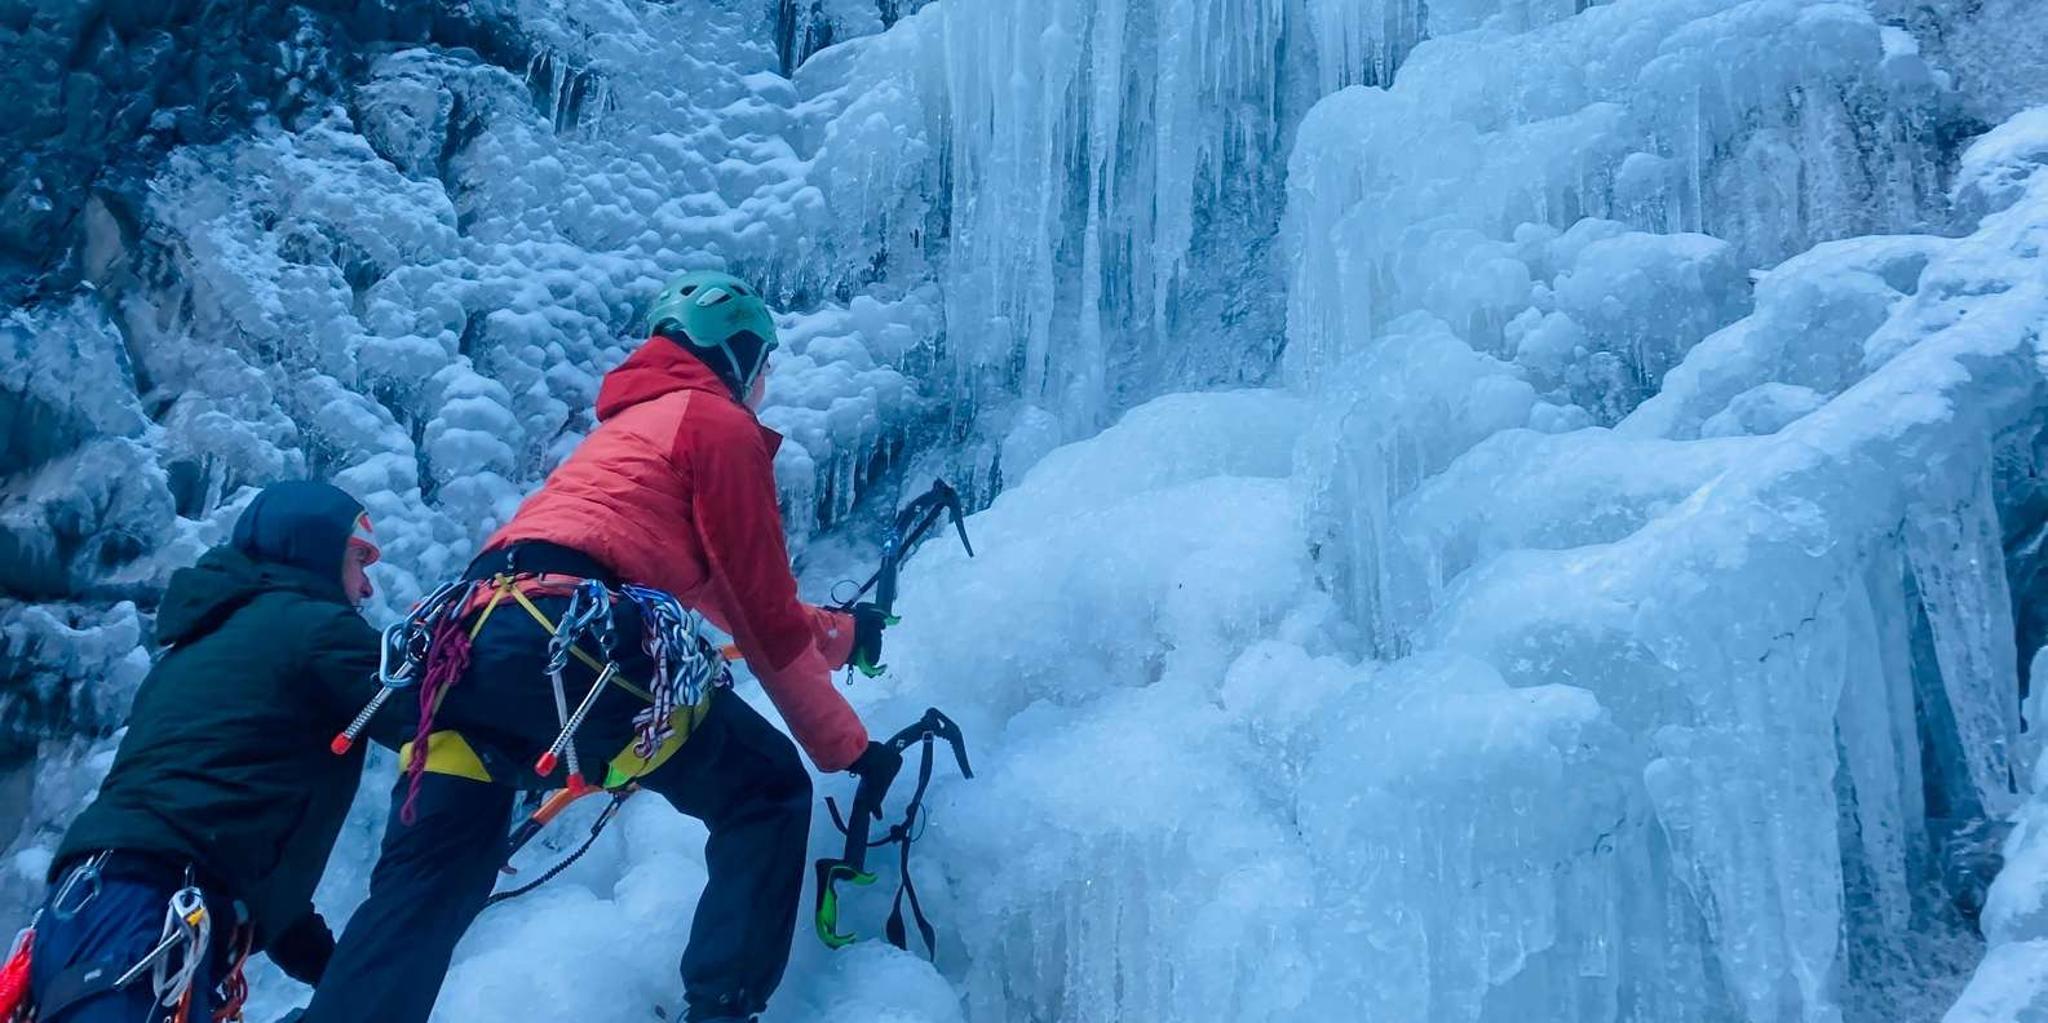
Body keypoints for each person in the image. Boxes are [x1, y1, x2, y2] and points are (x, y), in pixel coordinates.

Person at [302, 270, 897, 1023]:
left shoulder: (619, 440)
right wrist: (851, 750)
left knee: (425, 888)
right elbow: (762, 616)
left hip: (466, 651)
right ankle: (722, 1010)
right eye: (765, 366)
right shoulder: (716, 423)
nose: (766, 385)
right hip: (574, 641)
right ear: (740, 355)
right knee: (766, 791)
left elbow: (724, 591)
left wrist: (842, 636)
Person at [22, 481, 402, 1023]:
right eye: (359, 558)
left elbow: (238, 837)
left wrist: (339, 973)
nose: (366, 588)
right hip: (152, 910)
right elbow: (435, 711)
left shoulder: (212, 639)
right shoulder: (310, 626)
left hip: (102, 905)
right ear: (314, 546)